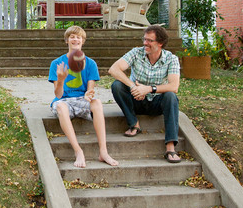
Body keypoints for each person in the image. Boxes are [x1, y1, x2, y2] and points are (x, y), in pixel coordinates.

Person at [109, 24, 181, 162]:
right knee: (117, 85)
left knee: (171, 96)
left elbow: (174, 86)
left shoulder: (171, 59)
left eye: (149, 40)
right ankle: (134, 123)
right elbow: (114, 69)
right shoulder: (137, 52)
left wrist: (148, 89)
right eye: (144, 39)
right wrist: (133, 87)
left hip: (156, 103)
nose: (144, 43)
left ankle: (170, 147)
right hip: (136, 99)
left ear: (160, 43)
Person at [49, 25, 119, 169]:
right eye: (72, 37)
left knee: (97, 103)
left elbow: (90, 90)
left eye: (78, 37)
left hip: (81, 101)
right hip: (64, 101)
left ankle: (103, 151)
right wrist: (61, 80)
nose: (75, 39)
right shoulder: (57, 63)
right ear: (67, 40)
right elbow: (58, 95)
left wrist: (89, 94)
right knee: (61, 106)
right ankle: (78, 151)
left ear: (83, 41)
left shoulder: (91, 63)